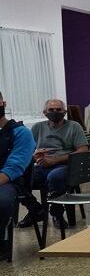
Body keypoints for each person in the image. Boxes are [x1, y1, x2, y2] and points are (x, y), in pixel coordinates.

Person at [19, 99, 88, 228]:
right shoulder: (37, 127)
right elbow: (28, 150)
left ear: (65, 112)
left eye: (58, 110)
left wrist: (55, 160)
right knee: (17, 178)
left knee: (55, 177)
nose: (55, 112)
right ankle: (35, 210)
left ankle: (57, 214)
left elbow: (83, 149)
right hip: (40, 165)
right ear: (45, 113)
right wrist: (36, 156)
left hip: (64, 165)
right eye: (51, 110)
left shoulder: (74, 126)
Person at [0, 90, 36, 255]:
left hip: (10, 182)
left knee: (2, 200)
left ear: (3, 103)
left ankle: (2, 243)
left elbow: (13, 169)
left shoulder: (21, 133)